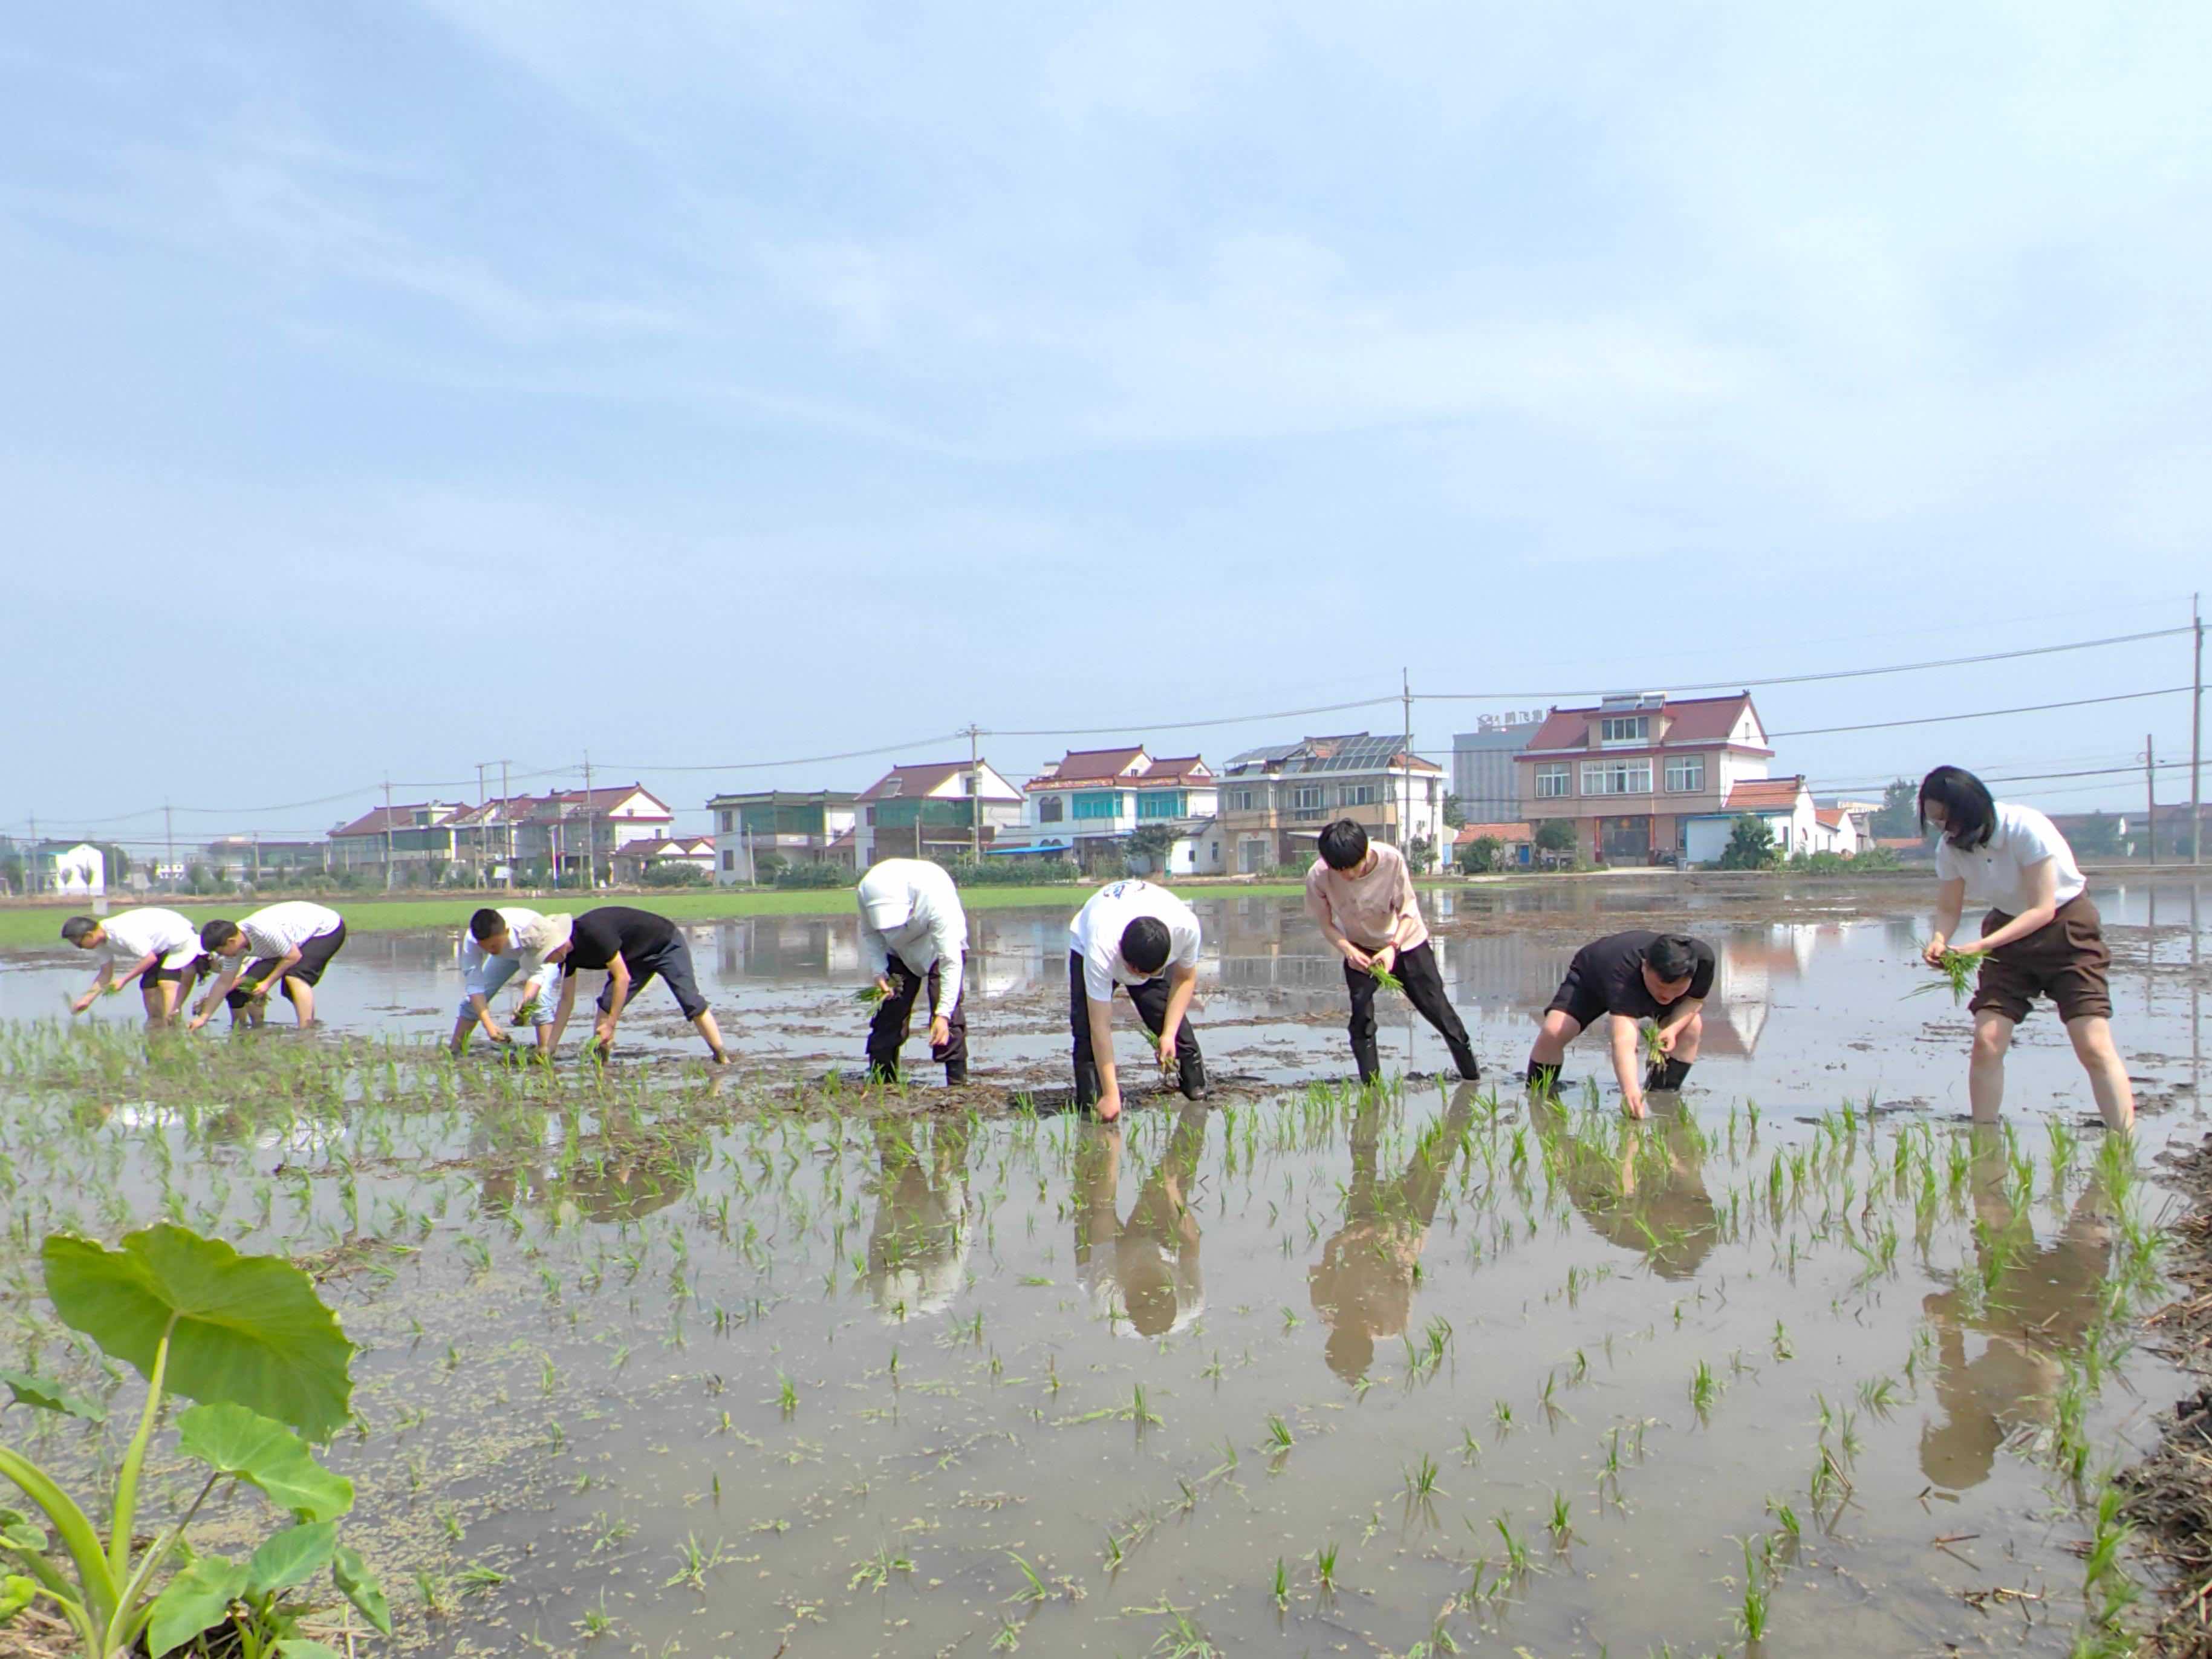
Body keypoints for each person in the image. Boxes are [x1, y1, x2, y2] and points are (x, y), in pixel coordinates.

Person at [1919, 765, 2134, 1132]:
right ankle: (1985, 1145)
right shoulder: (1951, 847)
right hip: (2007, 929)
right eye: (1934, 821)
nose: (1942, 829)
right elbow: (1948, 907)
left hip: (2067, 931)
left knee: (2093, 1045)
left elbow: (2042, 909)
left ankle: (2124, 1146)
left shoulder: (2025, 827)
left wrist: (1981, 945)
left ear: (1970, 810)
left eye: (1946, 819)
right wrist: (1939, 939)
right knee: (1987, 1041)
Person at [1308, 1083, 1477, 1381]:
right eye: (1351, 1332)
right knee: (1437, 1156)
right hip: (1408, 1226)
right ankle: (1464, 1103)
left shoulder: (1327, 1308)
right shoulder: (1392, 1322)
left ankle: (1369, 1102)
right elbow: (1405, 1271)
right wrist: (1385, 1233)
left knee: (1363, 1159)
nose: (1348, 1323)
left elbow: (1327, 1255)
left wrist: (1351, 1235)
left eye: (1344, 1330)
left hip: (1361, 1225)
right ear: (1368, 1338)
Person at [1306, 818, 1480, 1084]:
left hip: (1406, 943)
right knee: (1361, 1018)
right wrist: (1349, 951)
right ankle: (1371, 1087)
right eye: (1338, 870)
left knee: (1440, 1012)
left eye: (1352, 868)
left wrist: (1392, 948)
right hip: (1360, 949)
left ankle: (1472, 1078)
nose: (1347, 876)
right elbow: (1326, 925)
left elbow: (1408, 912)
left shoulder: (1391, 860)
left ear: (1365, 852)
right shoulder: (1318, 876)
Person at [1524, 930, 1714, 1117]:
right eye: (1660, 987)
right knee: (1555, 1030)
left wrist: (1672, 1030)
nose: (1667, 996)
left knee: (1691, 1027)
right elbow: (1623, 1039)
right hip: (1593, 978)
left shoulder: (1703, 960)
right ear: (1644, 966)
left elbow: (1694, 1001)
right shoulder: (1624, 973)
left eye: (1677, 989)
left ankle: (1661, 1097)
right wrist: (1630, 1091)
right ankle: (1538, 1095)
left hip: (1634, 979)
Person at [1068, 879, 1208, 1120]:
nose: (1137, 979)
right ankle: (1092, 1099)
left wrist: (1167, 1034)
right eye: (1134, 972)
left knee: (1163, 1014)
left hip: (1147, 947)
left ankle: (1195, 1086)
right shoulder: (1101, 948)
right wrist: (1113, 1094)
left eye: (1146, 975)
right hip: (1092, 934)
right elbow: (1099, 1026)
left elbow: (1185, 979)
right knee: (1084, 1028)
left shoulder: (1186, 930)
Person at [1073, 1101, 1212, 1338]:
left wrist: (1110, 1151)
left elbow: (1102, 1211)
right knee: (1167, 1182)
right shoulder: (1192, 1301)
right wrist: (1171, 1189)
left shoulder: (1106, 1288)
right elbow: (1190, 1242)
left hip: (1097, 1259)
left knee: (1091, 1194)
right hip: (1151, 1248)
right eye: (1153, 1277)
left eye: (1141, 1278)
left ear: (1126, 1290)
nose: (1144, 1271)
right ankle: (1195, 1115)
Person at [541, 905, 729, 1063]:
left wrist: (611, 1025)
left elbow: (623, 978)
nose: (547, 960)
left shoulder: (594, 933)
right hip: (634, 957)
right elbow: (566, 1001)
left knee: (690, 1001)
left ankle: (721, 1057)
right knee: (606, 1004)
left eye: (546, 953)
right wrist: (550, 1048)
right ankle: (600, 1061)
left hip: (665, 944)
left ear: (559, 943)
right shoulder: (567, 957)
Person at [856, 858, 970, 1086]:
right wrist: (879, 970)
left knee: (948, 1012)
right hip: (897, 952)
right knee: (890, 1009)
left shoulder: (935, 897)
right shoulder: (866, 891)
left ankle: (956, 1083)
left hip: (935, 948)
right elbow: (871, 934)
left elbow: (950, 961)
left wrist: (943, 1015)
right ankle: (882, 1078)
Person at [190, 902, 348, 1030]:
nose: (221, 956)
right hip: (285, 948)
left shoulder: (263, 930)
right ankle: (310, 1022)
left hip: (325, 929)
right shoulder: (234, 950)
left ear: (231, 941)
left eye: (220, 951)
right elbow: (224, 983)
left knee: (294, 978)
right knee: (271, 990)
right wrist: (203, 1018)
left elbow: (293, 956)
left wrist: (267, 983)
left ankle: (306, 1031)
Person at [450, 907, 570, 1055]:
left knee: (540, 1000)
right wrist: (489, 1026)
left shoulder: (530, 930)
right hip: (505, 957)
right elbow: (475, 985)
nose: (490, 951)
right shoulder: (472, 939)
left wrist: (525, 1005)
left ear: (506, 932)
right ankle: (455, 1051)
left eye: (493, 946)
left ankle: (546, 1055)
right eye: (485, 949)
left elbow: (538, 973)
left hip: (543, 952)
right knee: (471, 1002)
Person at [60, 910, 205, 1026]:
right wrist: (87, 999)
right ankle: (157, 1026)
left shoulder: (121, 933)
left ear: (89, 935)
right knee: (148, 988)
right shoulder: (100, 943)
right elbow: (106, 973)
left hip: (177, 938)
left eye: (79, 944)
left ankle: (172, 1022)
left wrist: (124, 980)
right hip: (157, 948)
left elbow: (150, 959)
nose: (80, 948)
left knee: (166, 983)